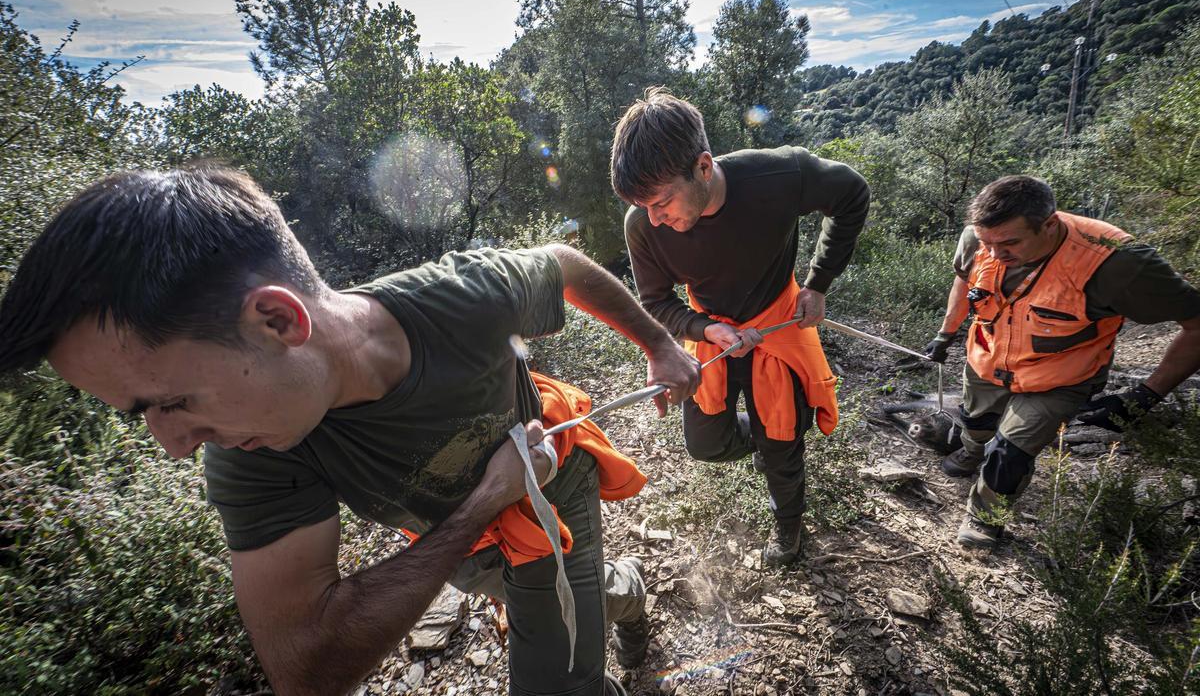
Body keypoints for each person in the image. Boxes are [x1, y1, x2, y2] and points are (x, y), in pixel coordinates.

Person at [0, 164, 701, 696]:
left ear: (277, 321)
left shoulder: (459, 297)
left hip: (555, 484)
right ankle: (625, 589)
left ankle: (604, 609)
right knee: (556, 589)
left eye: (172, 400)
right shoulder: (249, 448)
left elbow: (567, 266)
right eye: (139, 413)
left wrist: (661, 346)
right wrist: (484, 500)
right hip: (466, 537)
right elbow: (304, 665)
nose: (173, 443)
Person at [610, 88, 870, 565]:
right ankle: (771, 439)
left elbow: (852, 194)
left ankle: (788, 525)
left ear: (703, 167)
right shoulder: (643, 224)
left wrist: (819, 283)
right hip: (713, 336)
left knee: (783, 447)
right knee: (705, 444)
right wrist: (704, 328)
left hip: (780, 324)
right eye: (643, 206)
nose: (656, 219)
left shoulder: (780, 176)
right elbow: (655, 301)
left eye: (662, 201)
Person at [924, 175, 1200, 549]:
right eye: (988, 243)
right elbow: (964, 280)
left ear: (1050, 224)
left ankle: (986, 516)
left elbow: (1196, 324)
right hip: (988, 357)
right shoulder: (978, 238)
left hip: (1060, 375)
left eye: (1010, 243)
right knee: (977, 422)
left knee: (1011, 451)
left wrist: (1146, 394)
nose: (995, 253)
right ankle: (972, 450)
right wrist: (946, 333)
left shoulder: (1118, 264)